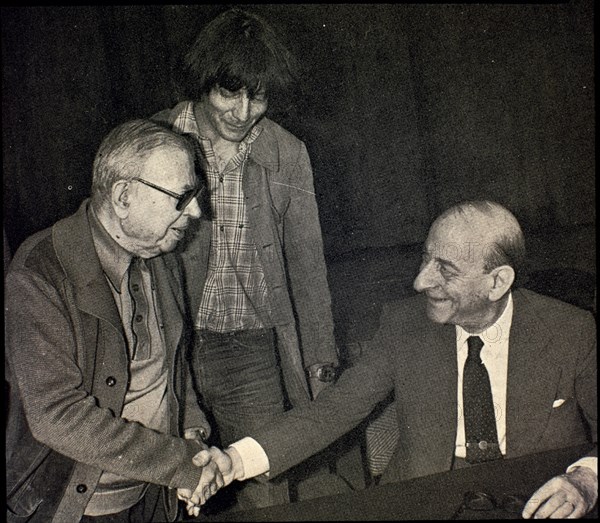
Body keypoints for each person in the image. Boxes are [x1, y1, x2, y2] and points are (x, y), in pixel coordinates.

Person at [188, 200, 598, 519]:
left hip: (539, 500)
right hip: (425, 498)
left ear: (498, 282)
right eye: (426, 258)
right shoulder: (404, 325)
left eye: (446, 270)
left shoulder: (571, 330)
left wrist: (586, 480)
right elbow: (335, 409)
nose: (421, 281)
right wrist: (234, 461)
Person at [151, 7, 339, 510]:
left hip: (249, 351)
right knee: (174, 488)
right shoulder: (154, 141)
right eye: (228, 93)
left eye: (257, 95)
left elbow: (308, 269)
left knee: (265, 489)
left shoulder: (286, 153)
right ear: (202, 84)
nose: (243, 111)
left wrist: (322, 367)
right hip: (168, 343)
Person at [5, 119, 225, 523]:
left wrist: (190, 428)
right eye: (183, 196)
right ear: (124, 195)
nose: (196, 211)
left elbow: (173, 364)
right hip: (77, 503)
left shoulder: (162, 253)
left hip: (153, 494)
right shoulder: (38, 273)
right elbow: (59, 415)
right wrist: (181, 462)